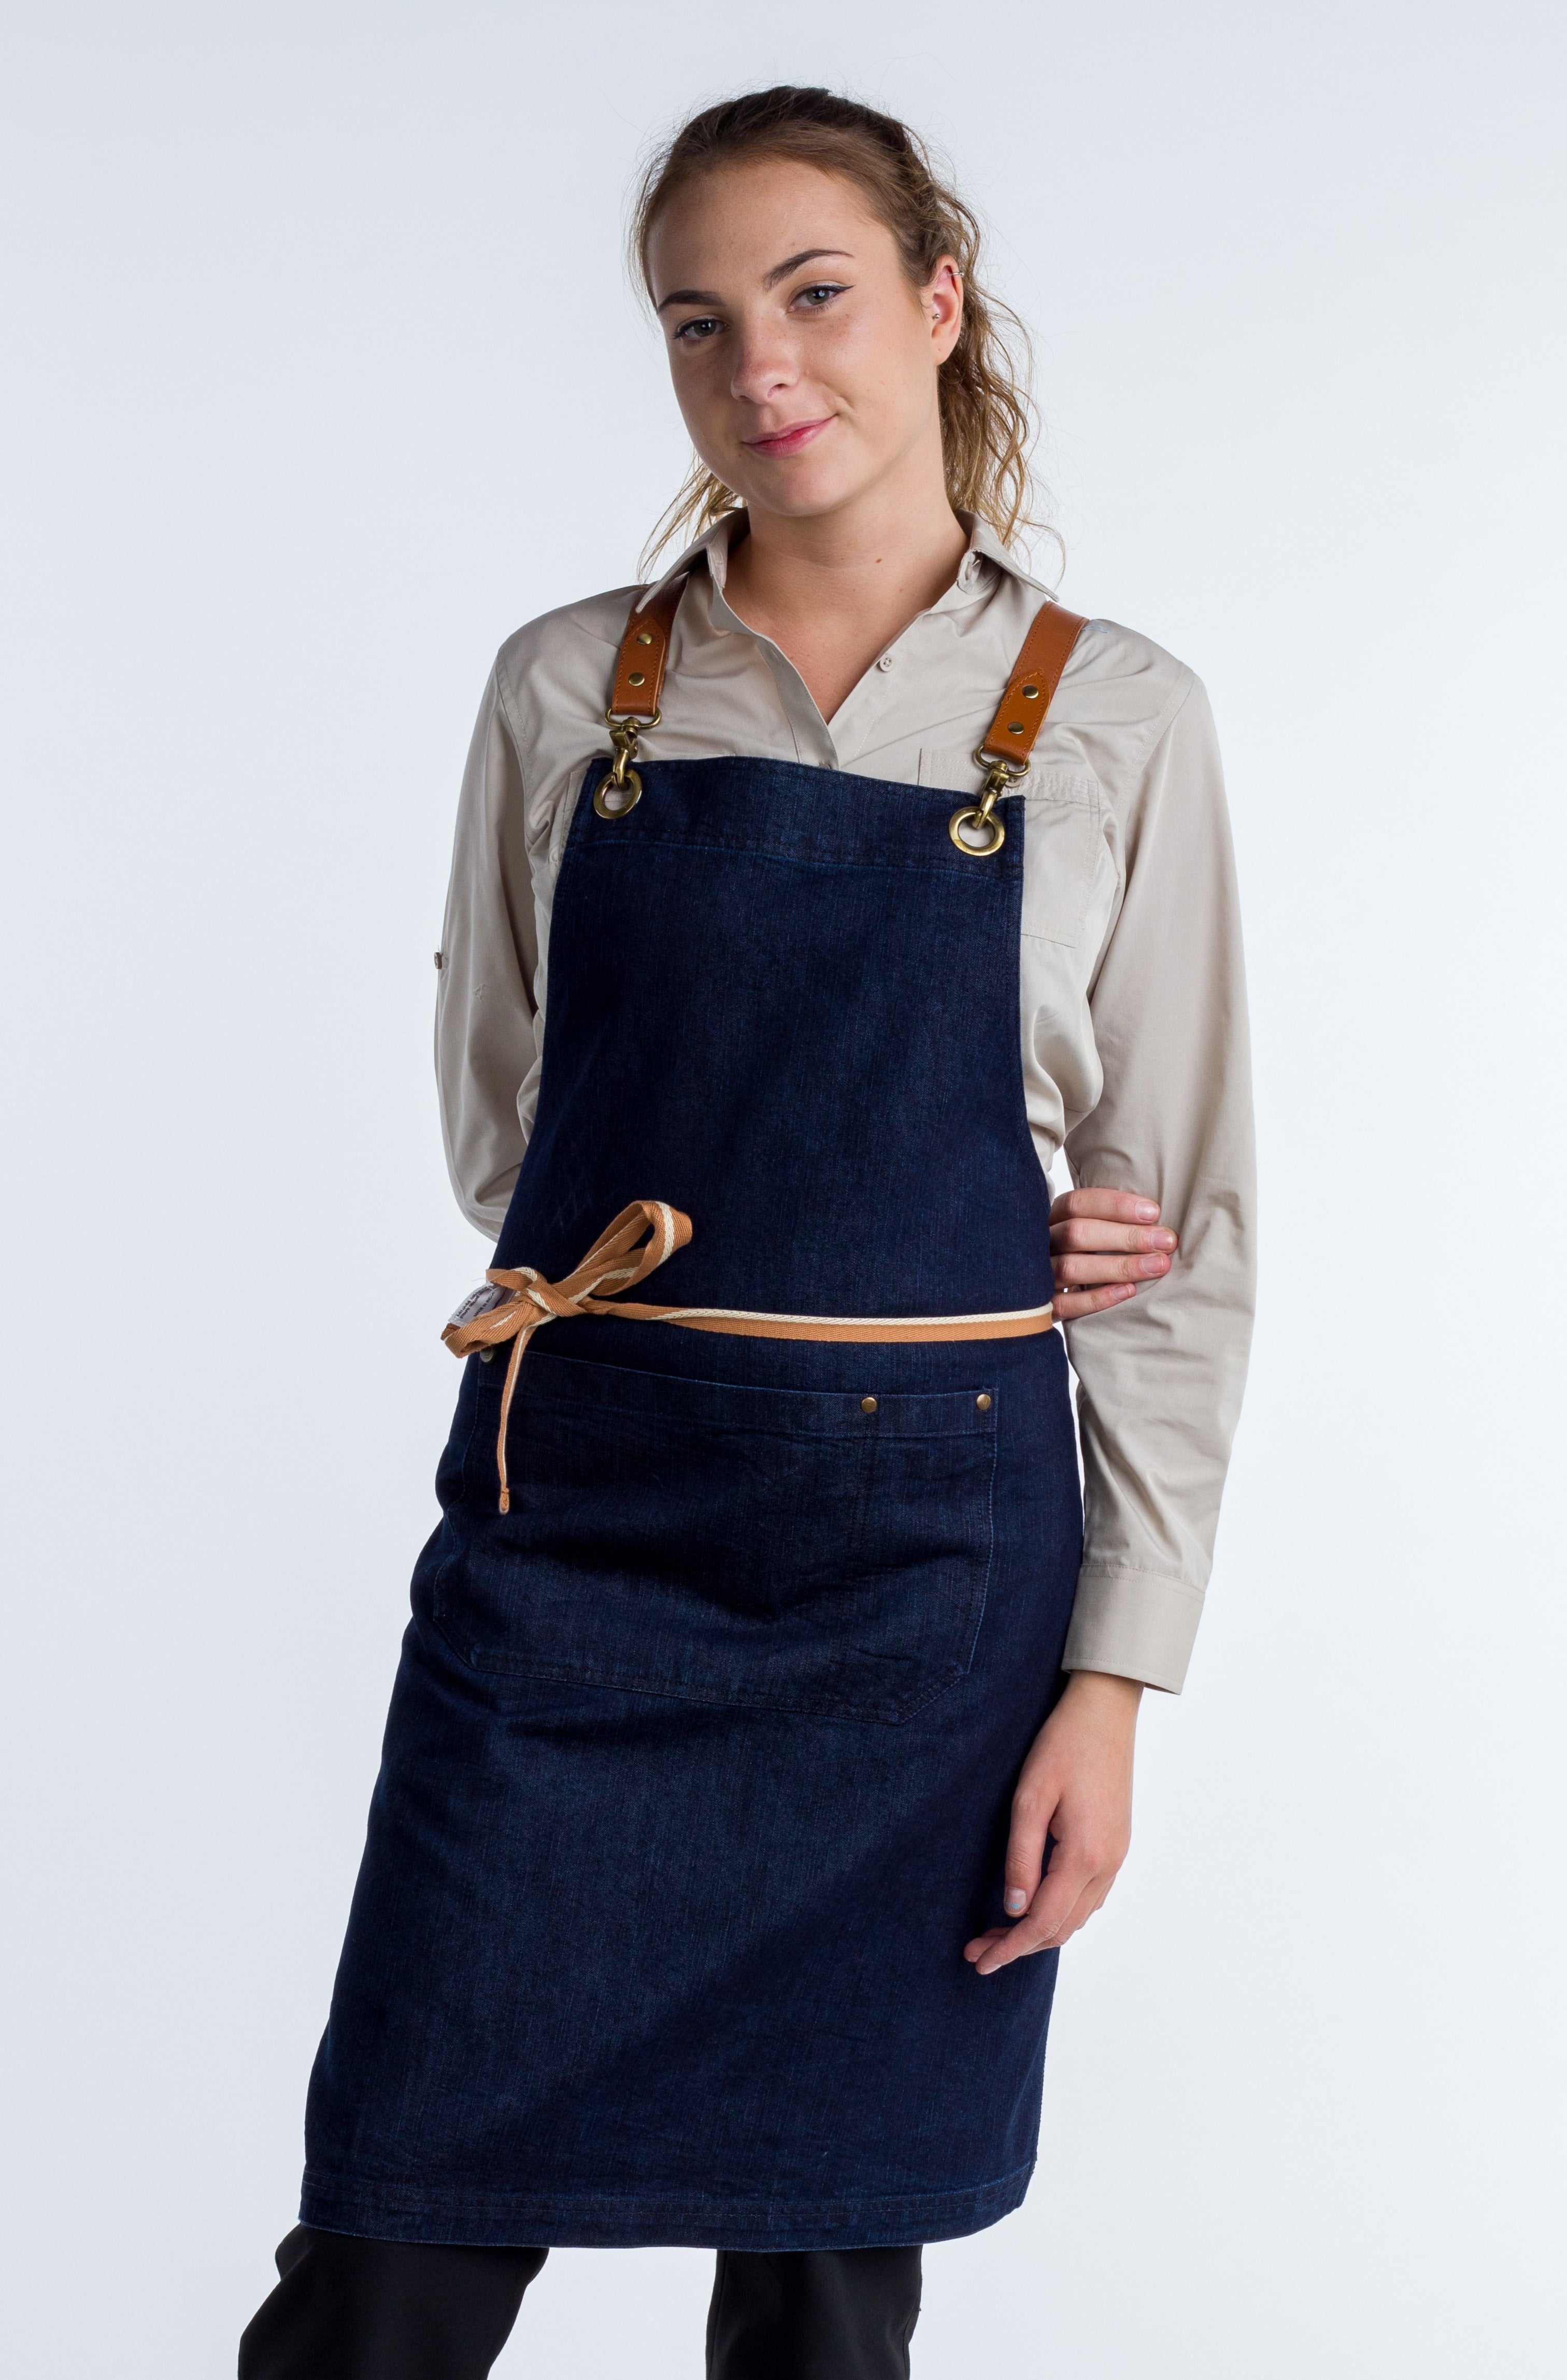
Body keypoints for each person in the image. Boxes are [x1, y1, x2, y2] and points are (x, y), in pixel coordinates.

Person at [239, 84, 1255, 2380]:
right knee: (390, 2258)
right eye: (697, 323)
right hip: (582, 1539)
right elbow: (510, 1129)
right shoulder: (567, 686)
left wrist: (1115, 1680)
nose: (758, 366)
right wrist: (798, 1206)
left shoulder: (1113, 714)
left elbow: (1184, 1245)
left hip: (932, 1587)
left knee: (825, 2281)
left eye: (814, 296)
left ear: (938, 301)